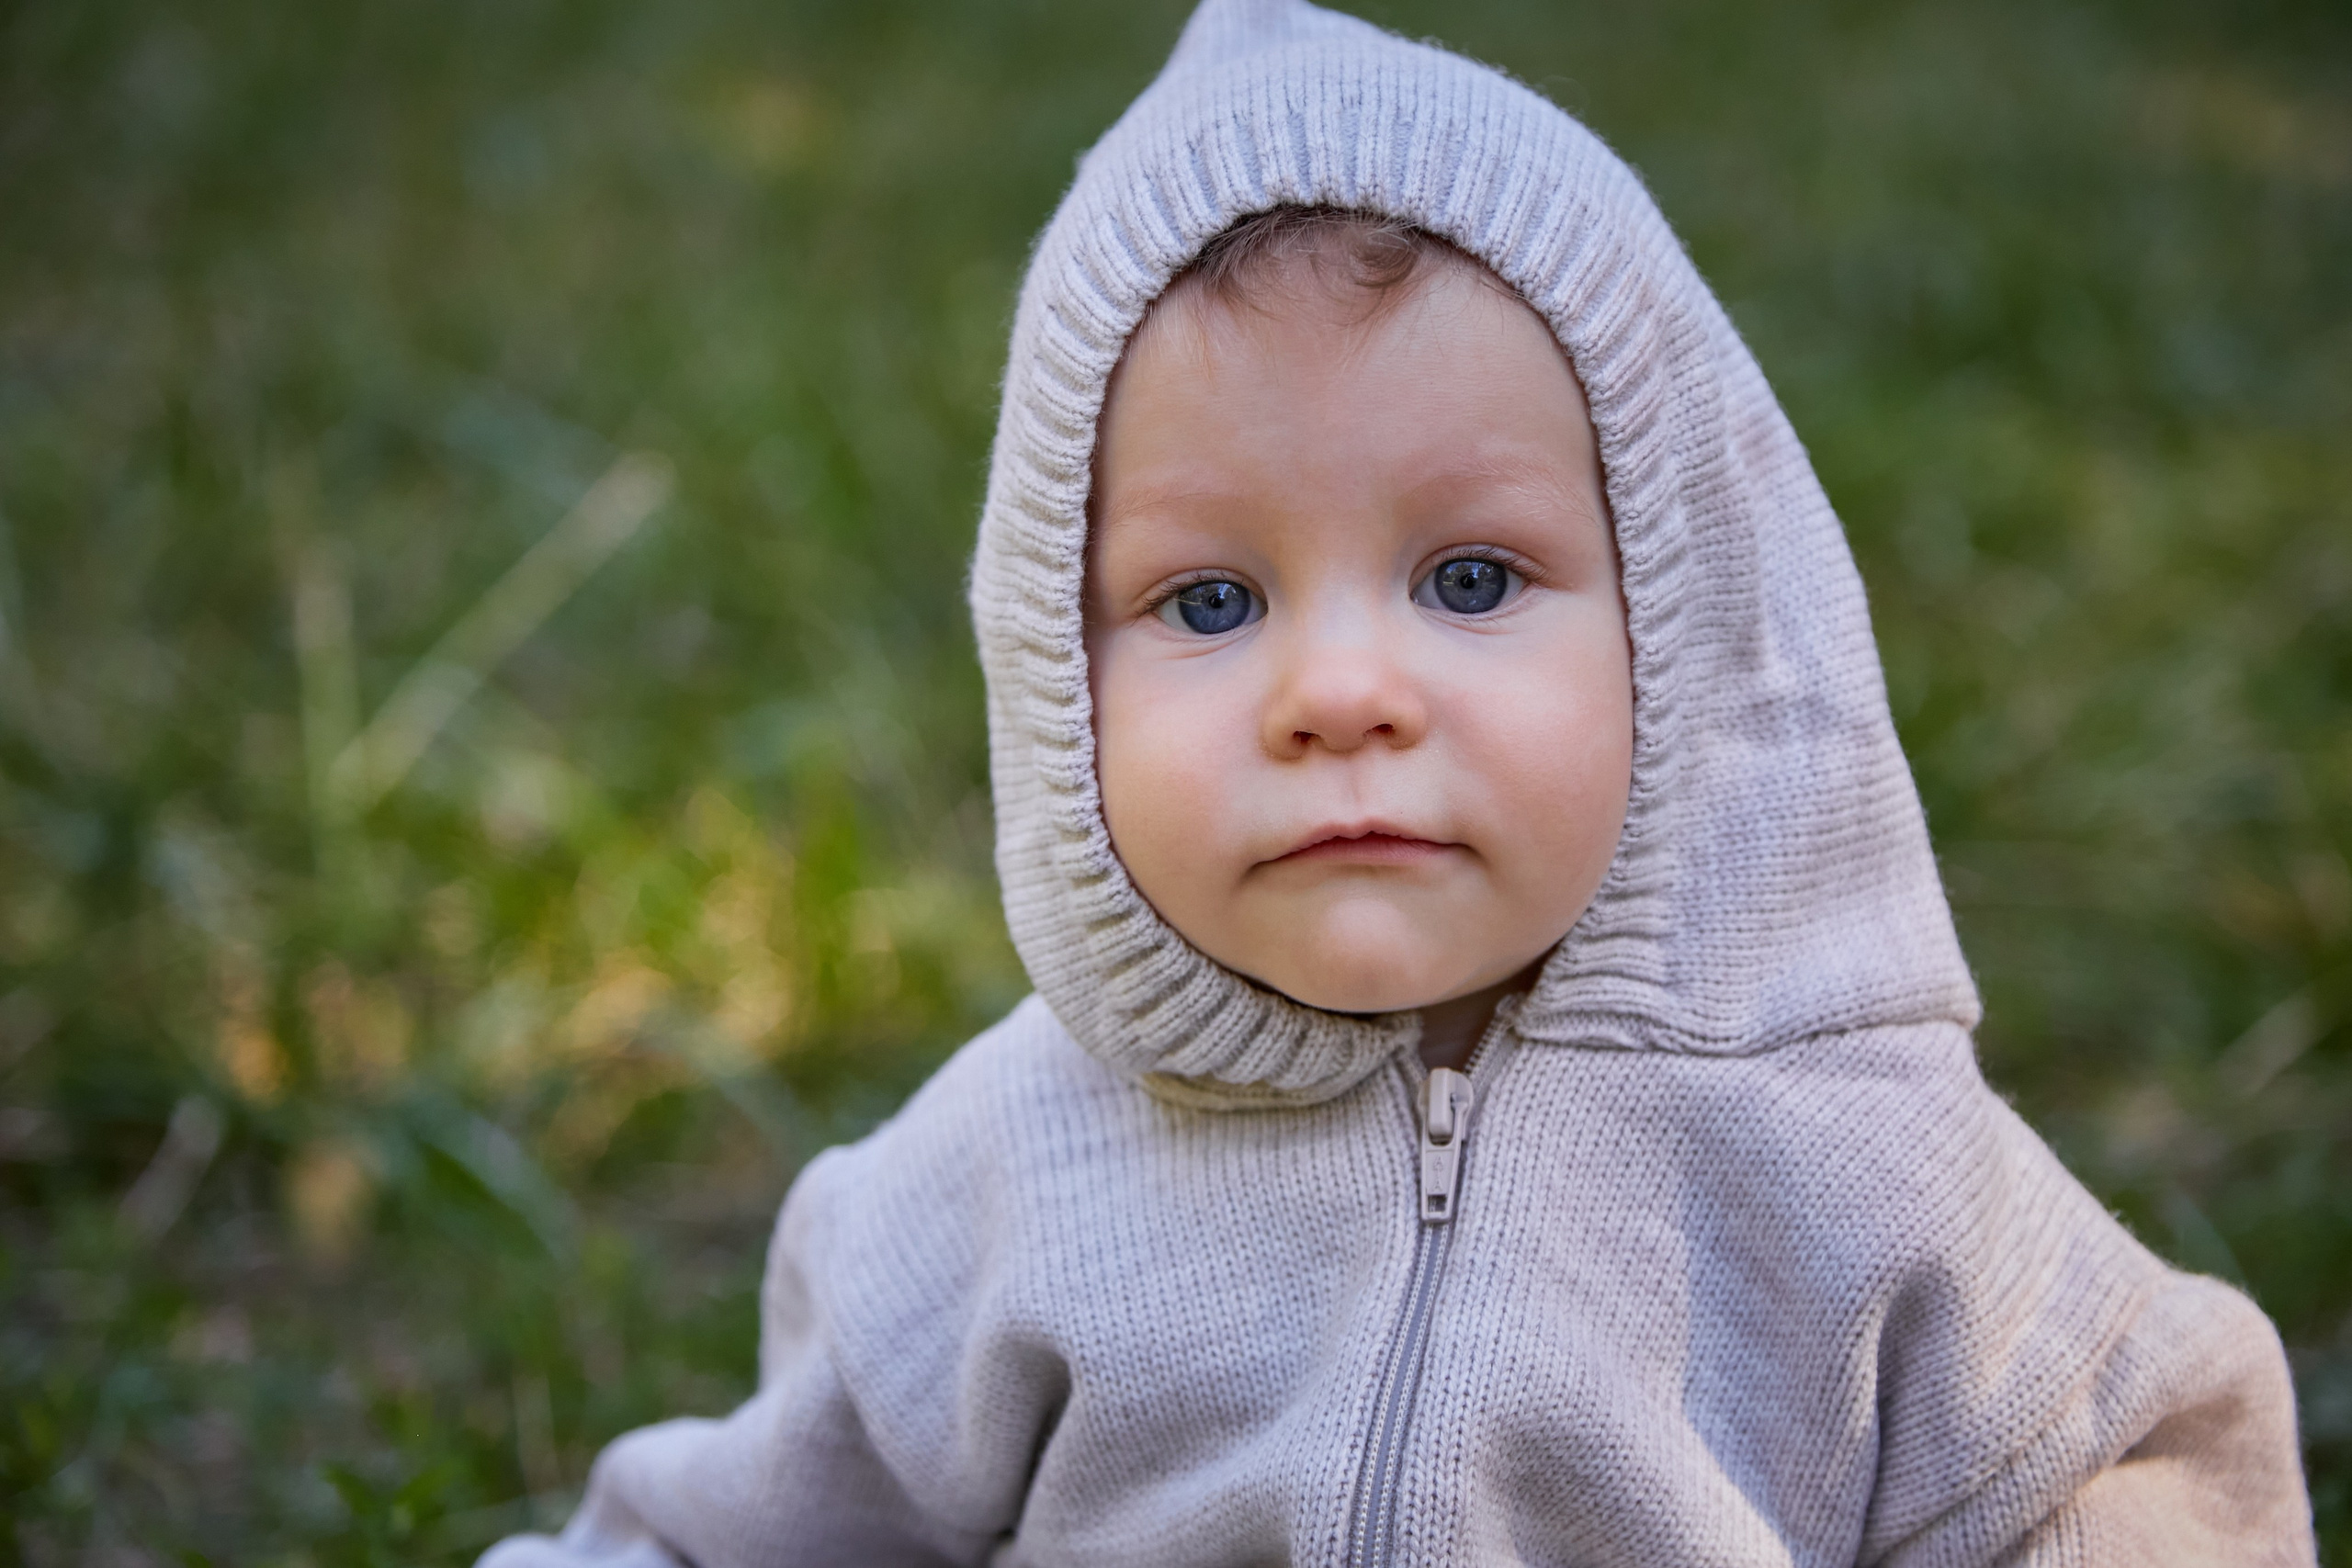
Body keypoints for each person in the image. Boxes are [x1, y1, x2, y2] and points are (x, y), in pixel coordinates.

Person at [481, 0, 2316, 1562]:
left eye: (1464, 579)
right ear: (1053, 667)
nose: (1338, 690)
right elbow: (736, 1532)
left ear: (1672, 627)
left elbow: (2132, 1457)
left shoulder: (1848, 1163)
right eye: (1207, 599)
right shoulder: (1002, 1170)